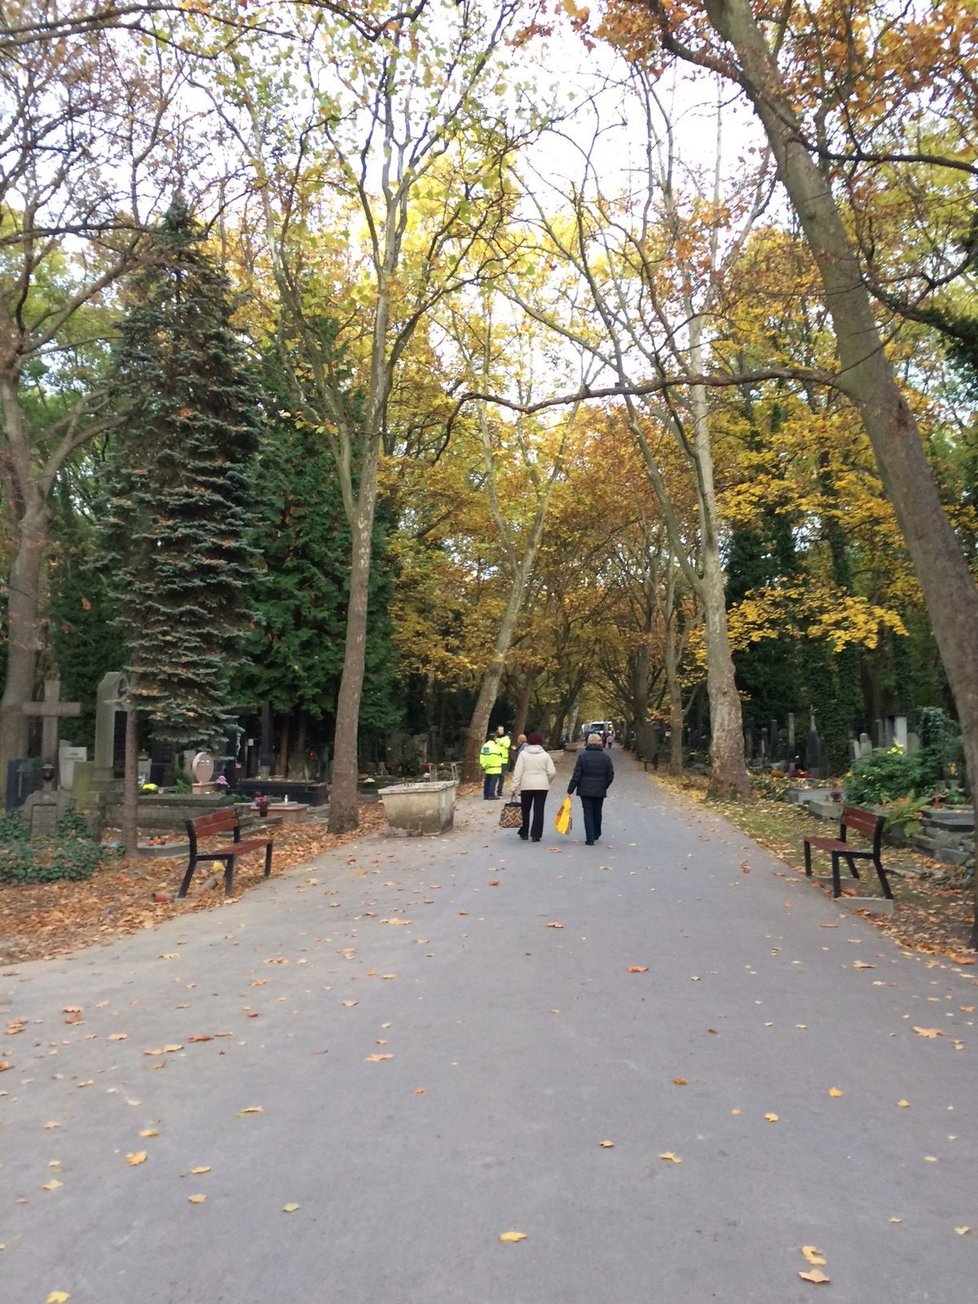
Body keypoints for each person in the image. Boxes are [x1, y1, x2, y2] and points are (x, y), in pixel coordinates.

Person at [567, 731, 614, 845]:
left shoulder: (583, 757)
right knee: (597, 811)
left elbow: (577, 774)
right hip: (600, 789)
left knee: (587, 812)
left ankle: (590, 838)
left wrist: (570, 789)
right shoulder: (605, 757)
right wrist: (605, 785)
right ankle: (597, 832)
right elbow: (610, 775)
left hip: (585, 790)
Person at [511, 732, 556, 842]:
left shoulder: (523, 755)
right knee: (539, 810)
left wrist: (514, 786)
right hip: (542, 785)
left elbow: (518, 771)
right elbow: (552, 772)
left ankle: (524, 832)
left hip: (526, 785)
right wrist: (547, 781)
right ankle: (536, 834)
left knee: (525, 809)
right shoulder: (545, 755)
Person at [479, 730, 503, 799]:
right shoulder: (496, 746)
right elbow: (499, 755)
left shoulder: (485, 746)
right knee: (493, 782)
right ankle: (491, 795)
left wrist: (484, 765)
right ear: (494, 738)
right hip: (495, 767)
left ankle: (486, 795)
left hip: (488, 767)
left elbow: (483, 756)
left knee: (487, 781)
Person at [494, 726, 511, 797]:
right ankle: (492, 790)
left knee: (501, 776)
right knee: (495, 776)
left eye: (502, 730)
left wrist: (505, 739)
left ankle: (499, 791)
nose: (501, 731)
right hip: (495, 760)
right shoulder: (496, 738)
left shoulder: (506, 738)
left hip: (503, 760)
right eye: (500, 730)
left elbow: (507, 745)